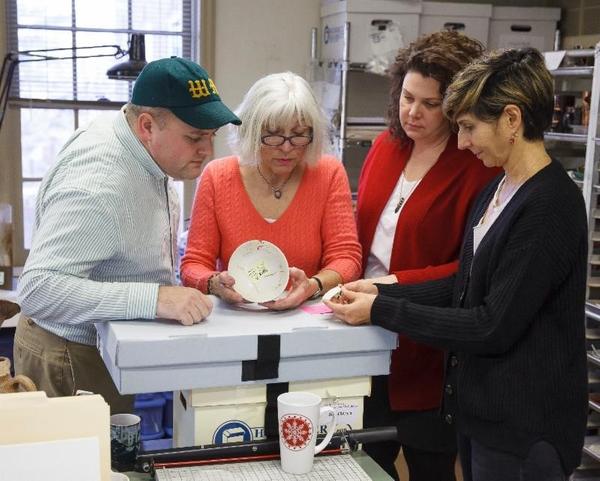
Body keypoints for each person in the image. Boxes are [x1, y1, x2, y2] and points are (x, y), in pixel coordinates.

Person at [325, 48, 588, 481]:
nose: (461, 142)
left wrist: (383, 310)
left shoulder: (549, 205)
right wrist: (381, 290)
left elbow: (490, 325)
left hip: (525, 425)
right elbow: (463, 286)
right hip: (482, 413)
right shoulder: (499, 191)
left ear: (511, 120)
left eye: (468, 127)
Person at [14, 57, 241, 414]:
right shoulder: (99, 183)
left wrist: (201, 286)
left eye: (211, 136)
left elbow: (128, 243)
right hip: (70, 357)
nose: (207, 152)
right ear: (147, 126)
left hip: (106, 348)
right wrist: (155, 300)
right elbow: (39, 289)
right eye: (195, 137)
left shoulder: (145, 147)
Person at [350, 31, 498, 481]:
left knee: (430, 464)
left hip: (429, 348)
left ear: (456, 106)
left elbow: (471, 269)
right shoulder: (385, 147)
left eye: (430, 104)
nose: (412, 112)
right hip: (363, 330)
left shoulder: (474, 166)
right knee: (363, 462)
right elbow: (359, 232)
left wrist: (393, 287)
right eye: (407, 97)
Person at [180, 72, 361, 309]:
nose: (286, 148)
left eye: (298, 135)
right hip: (237, 317)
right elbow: (193, 263)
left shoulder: (328, 173)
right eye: (273, 135)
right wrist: (214, 283)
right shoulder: (217, 176)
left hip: (306, 317)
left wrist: (313, 285)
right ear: (251, 131)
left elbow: (346, 257)